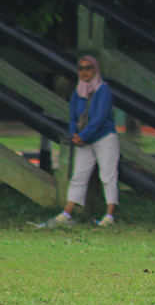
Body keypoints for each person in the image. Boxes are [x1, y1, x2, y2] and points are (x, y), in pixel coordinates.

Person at [47, 55, 120, 228]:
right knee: (78, 175)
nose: (85, 72)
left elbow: (100, 117)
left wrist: (84, 135)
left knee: (108, 175)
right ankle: (67, 213)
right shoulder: (77, 92)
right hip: (84, 141)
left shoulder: (103, 90)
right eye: (81, 68)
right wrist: (75, 134)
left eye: (89, 68)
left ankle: (110, 216)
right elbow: (73, 117)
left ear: (96, 70)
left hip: (104, 138)